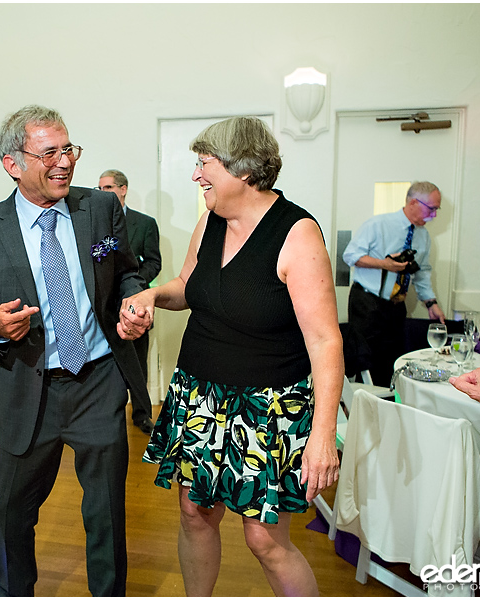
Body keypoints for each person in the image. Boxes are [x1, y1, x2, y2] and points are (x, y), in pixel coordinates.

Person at [121, 117, 341, 596]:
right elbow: (189, 288)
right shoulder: (210, 220)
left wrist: (323, 436)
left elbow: (325, 342)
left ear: (242, 170)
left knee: (264, 538)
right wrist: (152, 296)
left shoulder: (296, 234)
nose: (197, 175)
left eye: (204, 164)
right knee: (194, 512)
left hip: (268, 409)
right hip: (198, 396)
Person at [0, 105, 151, 596]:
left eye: (69, 149)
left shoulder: (100, 210)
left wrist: (132, 298)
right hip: (28, 387)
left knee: (106, 512)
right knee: (11, 512)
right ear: (13, 164)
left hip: (98, 383)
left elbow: (123, 267)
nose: (64, 162)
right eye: (49, 153)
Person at [343, 181, 447, 386]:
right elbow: (350, 256)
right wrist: (385, 264)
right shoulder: (378, 225)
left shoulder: (423, 236)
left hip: (396, 306)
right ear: (413, 203)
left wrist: (431, 303)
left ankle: (387, 406)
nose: (434, 215)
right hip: (367, 302)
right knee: (363, 360)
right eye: (432, 209)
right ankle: (361, 406)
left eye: (437, 209)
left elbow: (422, 272)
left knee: (392, 360)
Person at [98, 169, 162, 434]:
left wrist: (134, 284)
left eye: (109, 187)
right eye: (100, 188)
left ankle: (141, 413)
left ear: (123, 189)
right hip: (102, 307)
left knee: (137, 361)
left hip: (134, 305)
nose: (103, 193)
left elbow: (154, 262)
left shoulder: (144, 223)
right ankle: (105, 411)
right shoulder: (95, 223)